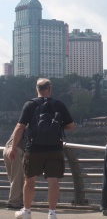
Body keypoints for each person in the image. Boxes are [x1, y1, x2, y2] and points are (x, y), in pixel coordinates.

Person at [8, 78, 75, 219]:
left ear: (37, 89)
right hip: (55, 149)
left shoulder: (30, 105)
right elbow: (70, 126)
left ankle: (26, 211)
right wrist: (54, 127)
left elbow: (20, 127)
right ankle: (52, 213)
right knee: (53, 181)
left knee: (29, 180)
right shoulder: (58, 105)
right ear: (50, 88)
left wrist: (13, 148)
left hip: (34, 148)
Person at [3, 132, 26, 209]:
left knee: (14, 178)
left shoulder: (23, 123)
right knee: (18, 178)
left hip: (7, 148)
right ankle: (14, 202)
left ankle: (18, 201)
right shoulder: (35, 125)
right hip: (17, 150)